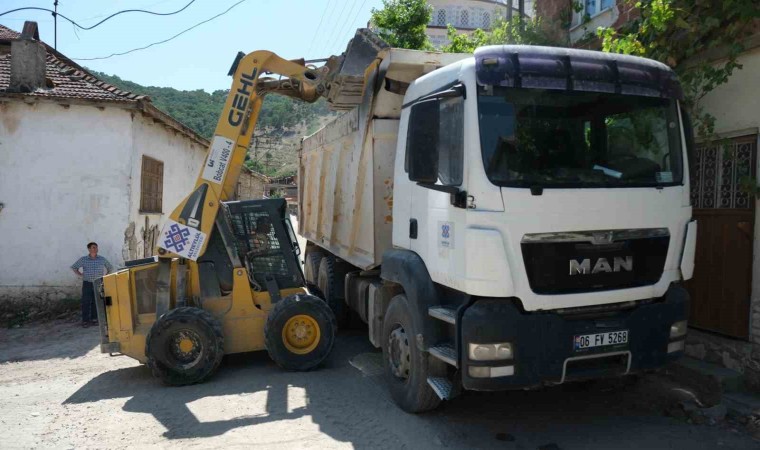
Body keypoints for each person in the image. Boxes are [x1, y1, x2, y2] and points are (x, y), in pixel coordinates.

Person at [71, 242, 113, 328]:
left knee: (96, 301)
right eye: (93, 247)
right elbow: (74, 267)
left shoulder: (102, 259)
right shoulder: (84, 259)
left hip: (98, 283)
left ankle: (94, 319)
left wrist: (104, 277)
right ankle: (85, 320)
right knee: (85, 302)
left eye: (96, 247)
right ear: (89, 249)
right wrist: (81, 275)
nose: (96, 249)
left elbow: (110, 268)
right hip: (87, 283)